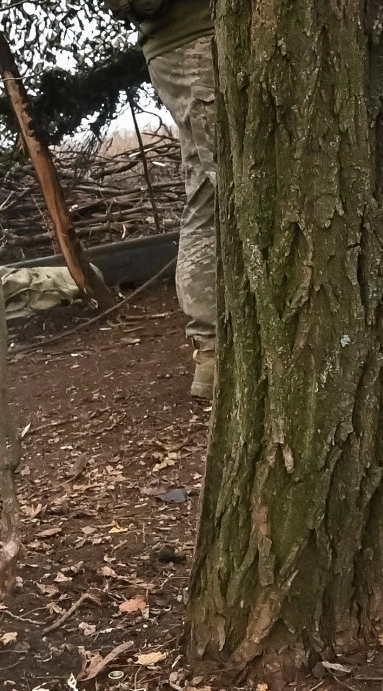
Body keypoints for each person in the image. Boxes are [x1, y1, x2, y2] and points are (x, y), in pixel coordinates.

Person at [133, 0, 217, 400]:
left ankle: (213, 355)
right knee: (230, 194)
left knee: (208, 196)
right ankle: (214, 354)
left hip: (181, 44)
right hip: (199, 40)